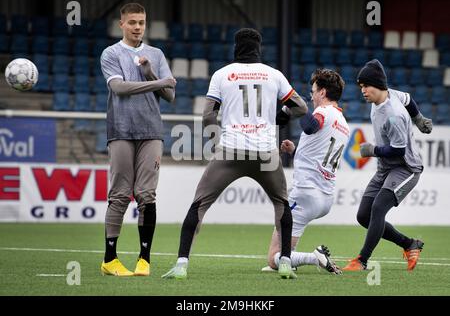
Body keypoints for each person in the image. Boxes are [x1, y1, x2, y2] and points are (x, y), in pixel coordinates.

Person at [161, 28, 310, 280]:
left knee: (199, 204)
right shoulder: (273, 75)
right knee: (281, 203)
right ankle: (284, 261)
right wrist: (277, 119)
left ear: (236, 47)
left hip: (230, 151)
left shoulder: (222, 74)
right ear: (258, 48)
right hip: (265, 153)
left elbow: (209, 114)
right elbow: (301, 106)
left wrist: (216, 142)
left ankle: (181, 264)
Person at [99, 3, 176, 276]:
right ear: (122, 24)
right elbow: (119, 89)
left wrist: (151, 74)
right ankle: (110, 259)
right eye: (132, 22)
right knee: (119, 195)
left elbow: (171, 96)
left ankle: (145, 259)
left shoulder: (156, 54)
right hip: (120, 130)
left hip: (151, 131)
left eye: (141, 22)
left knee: (146, 195)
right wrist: (157, 82)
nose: (137, 27)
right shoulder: (111, 54)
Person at [343, 59, 433, 271]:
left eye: (367, 86)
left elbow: (398, 150)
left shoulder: (393, 115)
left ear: (379, 86)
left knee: (378, 209)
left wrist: (372, 150)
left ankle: (362, 260)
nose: (363, 91)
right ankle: (409, 244)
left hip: (406, 168)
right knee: (363, 216)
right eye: (361, 87)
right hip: (386, 168)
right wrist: (419, 119)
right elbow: (409, 99)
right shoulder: (390, 94)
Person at [263, 69, 349, 275]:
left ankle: (314, 257)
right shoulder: (343, 123)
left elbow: (311, 126)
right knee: (286, 252)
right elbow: (320, 152)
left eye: (313, 91)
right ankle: (299, 258)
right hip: (325, 197)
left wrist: (296, 106)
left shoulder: (323, 112)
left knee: (275, 259)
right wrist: (296, 151)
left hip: (305, 194)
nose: (311, 96)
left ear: (322, 92)